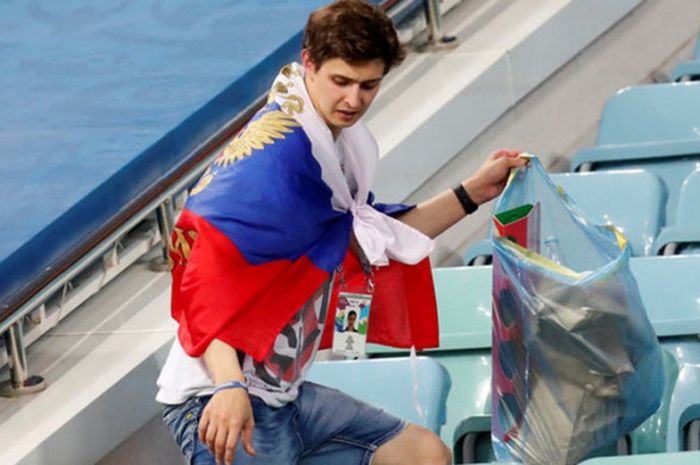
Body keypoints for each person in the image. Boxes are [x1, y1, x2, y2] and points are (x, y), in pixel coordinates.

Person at [156, 1, 526, 464]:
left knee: (421, 454)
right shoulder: (272, 162)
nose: (354, 100)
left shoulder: (334, 148)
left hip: (281, 397)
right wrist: (227, 383)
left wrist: (472, 192)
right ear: (308, 63)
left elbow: (373, 234)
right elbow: (200, 272)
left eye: (369, 85)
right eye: (342, 82)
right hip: (220, 398)